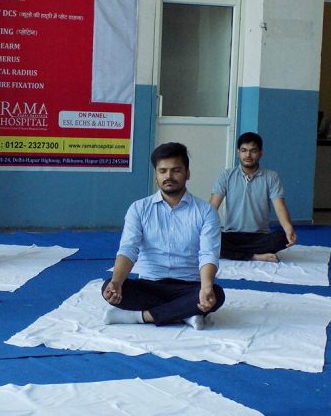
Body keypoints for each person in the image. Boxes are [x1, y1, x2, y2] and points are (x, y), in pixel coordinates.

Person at [101, 142, 225, 330]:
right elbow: (128, 249)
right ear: (156, 175)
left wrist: (206, 286)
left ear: (187, 173)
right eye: (163, 171)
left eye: (176, 170)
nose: (169, 176)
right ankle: (186, 314)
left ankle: (141, 316)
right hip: (150, 285)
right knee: (108, 287)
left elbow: (208, 253)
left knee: (216, 294)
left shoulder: (206, 211)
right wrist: (117, 282)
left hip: (189, 286)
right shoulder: (139, 208)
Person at [210, 132, 297, 262]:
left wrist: (288, 228)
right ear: (238, 152)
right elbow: (212, 206)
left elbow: (280, 207)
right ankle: (255, 256)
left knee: (281, 237)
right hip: (232, 235)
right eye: (244, 150)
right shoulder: (226, 175)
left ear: (261, 153)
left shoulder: (271, 177)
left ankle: (235, 254)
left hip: (260, 236)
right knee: (210, 238)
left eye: (253, 151)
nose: (248, 155)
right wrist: (202, 229)